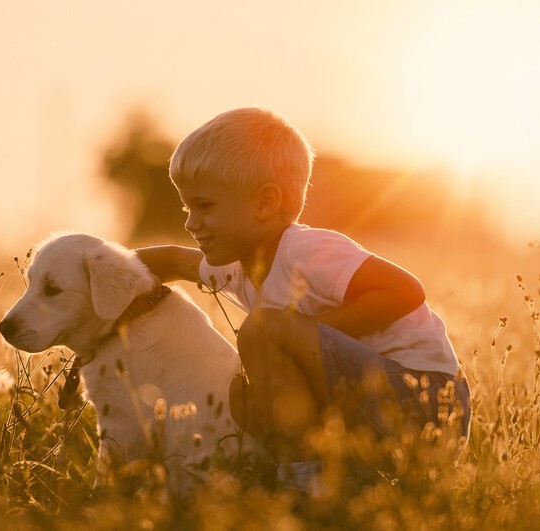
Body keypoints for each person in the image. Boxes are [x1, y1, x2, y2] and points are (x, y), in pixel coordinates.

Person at [135, 107, 470, 492]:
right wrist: (97, 271)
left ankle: (302, 485)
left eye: (205, 206)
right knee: (242, 395)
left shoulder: (306, 250)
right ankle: (337, 478)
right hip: (375, 409)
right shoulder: (235, 265)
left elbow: (405, 290)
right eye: (186, 207)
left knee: (263, 332)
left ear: (265, 203)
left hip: (428, 404)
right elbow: (173, 260)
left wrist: (306, 335)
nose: (191, 222)